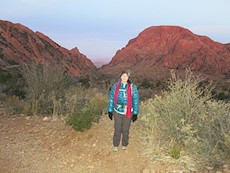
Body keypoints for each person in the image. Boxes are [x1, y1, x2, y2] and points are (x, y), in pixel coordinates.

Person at [108, 70, 139, 152]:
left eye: (126, 76)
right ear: (120, 76)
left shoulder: (132, 87)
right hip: (117, 111)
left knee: (125, 129)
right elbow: (111, 98)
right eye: (123, 75)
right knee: (117, 129)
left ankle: (124, 144)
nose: (124, 77)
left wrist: (135, 113)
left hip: (128, 111)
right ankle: (115, 145)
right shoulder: (115, 86)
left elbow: (135, 100)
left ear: (128, 77)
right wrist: (110, 110)